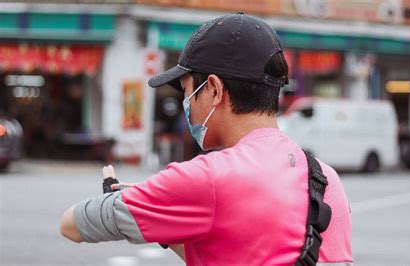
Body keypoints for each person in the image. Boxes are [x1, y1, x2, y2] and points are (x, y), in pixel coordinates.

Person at [60, 13, 353, 265]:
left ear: (213, 89)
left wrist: (128, 198)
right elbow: (227, 252)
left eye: (187, 91)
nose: (187, 102)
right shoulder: (325, 178)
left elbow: (72, 224)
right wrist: (165, 214)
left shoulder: (206, 177)